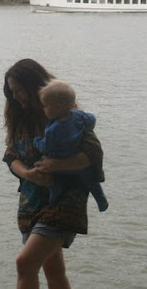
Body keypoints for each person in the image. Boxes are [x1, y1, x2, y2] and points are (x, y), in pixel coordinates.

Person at [0, 59, 105, 289]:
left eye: (19, 90)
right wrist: (28, 174)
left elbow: (92, 156)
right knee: (53, 270)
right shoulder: (18, 116)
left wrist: (56, 167)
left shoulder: (65, 110)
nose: (16, 97)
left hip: (65, 200)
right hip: (31, 202)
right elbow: (11, 155)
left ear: (33, 84)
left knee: (25, 263)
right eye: (10, 93)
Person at [33, 79, 108, 212]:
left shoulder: (53, 129)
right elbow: (92, 119)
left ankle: (53, 201)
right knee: (92, 182)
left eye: (46, 106)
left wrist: (37, 141)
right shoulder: (78, 115)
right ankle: (101, 201)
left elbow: (47, 147)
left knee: (55, 183)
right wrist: (86, 127)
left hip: (60, 164)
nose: (43, 109)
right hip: (81, 163)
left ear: (58, 108)